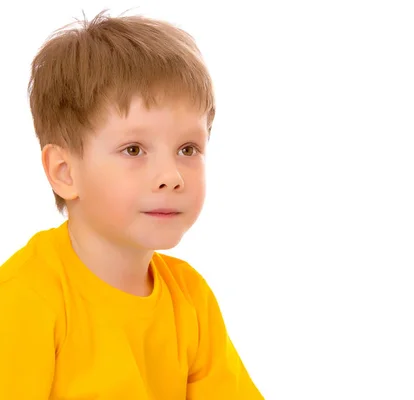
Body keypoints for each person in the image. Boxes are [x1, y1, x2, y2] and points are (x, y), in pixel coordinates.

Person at [0, 10, 263, 399]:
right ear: (65, 172)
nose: (171, 175)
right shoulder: (25, 298)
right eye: (134, 149)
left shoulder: (189, 297)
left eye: (188, 149)